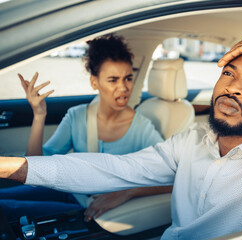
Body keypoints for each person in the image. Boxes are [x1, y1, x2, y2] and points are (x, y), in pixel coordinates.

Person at [0, 29, 242, 239]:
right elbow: (112, 169)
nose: (234, 87)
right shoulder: (191, 140)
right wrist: (8, 166)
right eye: (229, 73)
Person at [0, 34, 171, 222]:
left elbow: (171, 177)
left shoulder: (142, 127)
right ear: (94, 82)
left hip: (89, 209)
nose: (123, 87)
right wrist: (39, 115)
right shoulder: (77, 116)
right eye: (113, 80)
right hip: (67, 189)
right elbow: (36, 165)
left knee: (7, 207)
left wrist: (127, 193)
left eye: (128, 78)